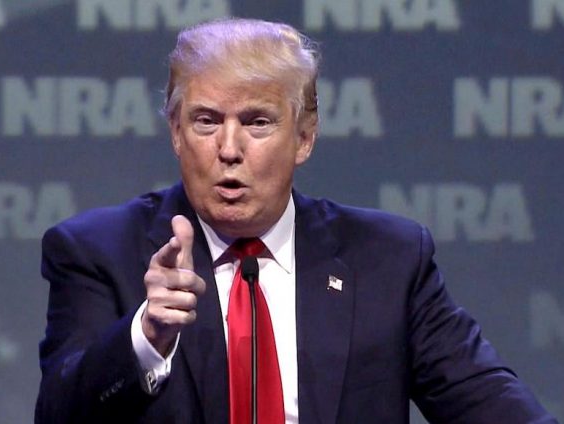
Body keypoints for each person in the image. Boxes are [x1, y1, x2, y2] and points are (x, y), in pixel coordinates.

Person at [35, 18, 556, 424]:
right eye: (206, 121)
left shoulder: (389, 260)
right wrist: (145, 339)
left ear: (304, 137)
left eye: (257, 122)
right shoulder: (97, 251)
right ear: (175, 131)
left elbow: (488, 402)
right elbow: (58, 414)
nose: (229, 149)